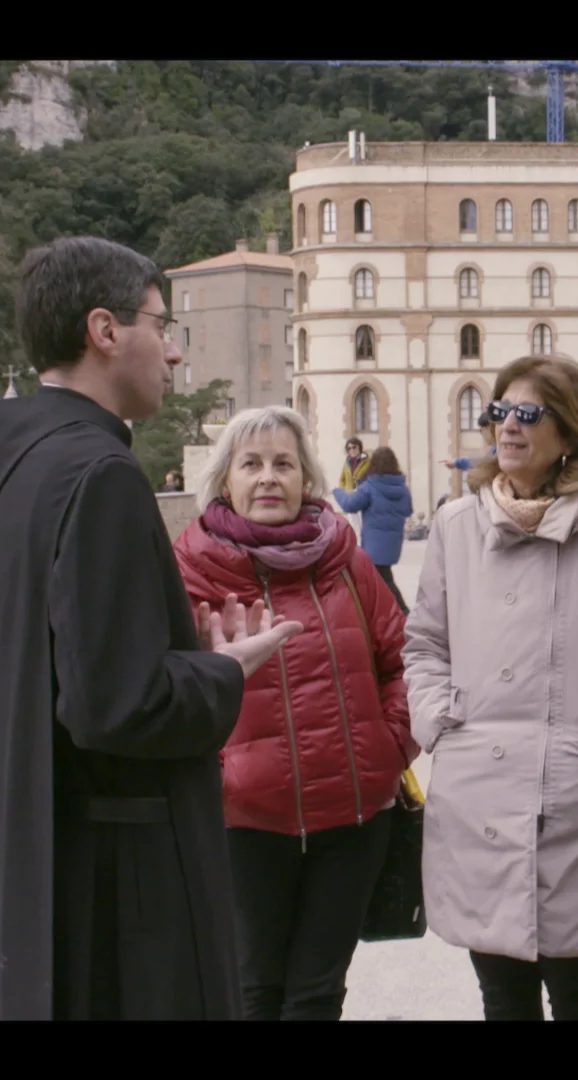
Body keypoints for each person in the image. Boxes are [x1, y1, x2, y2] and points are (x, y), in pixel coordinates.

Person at [0, 236, 301, 1021]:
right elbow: (115, 705)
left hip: (49, 853)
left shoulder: (19, 464)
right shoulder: (100, 477)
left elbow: (75, 665)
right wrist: (226, 668)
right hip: (123, 885)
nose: (171, 352)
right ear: (105, 330)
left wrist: (175, 655)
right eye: (160, 326)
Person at [403, 354, 578, 1022]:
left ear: (570, 428)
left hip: (577, 793)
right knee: (501, 996)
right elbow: (425, 643)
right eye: (499, 410)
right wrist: (439, 720)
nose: (509, 425)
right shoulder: (455, 525)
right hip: (479, 794)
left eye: (530, 413)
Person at [172, 405, 417, 1021]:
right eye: (250, 464)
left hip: (353, 818)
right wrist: (222, 769)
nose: (268, 478)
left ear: (307, 478)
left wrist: (389, 748)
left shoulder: (345, 560)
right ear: (224, 480)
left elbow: (403, 660)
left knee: (316, 992)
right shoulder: (189, 571)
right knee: (253, 991)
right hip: (242, 822)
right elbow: (168, 688)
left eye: (284, 463)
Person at [332, 446, 415, 614]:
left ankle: (403, 612)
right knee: (380, 577)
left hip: (374, 546)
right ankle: (384, 612)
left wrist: (338, 492)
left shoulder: (370, 486)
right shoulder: (402, 488)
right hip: (392, 544)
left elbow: (350, 505)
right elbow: (408, 510)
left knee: (380, 579)